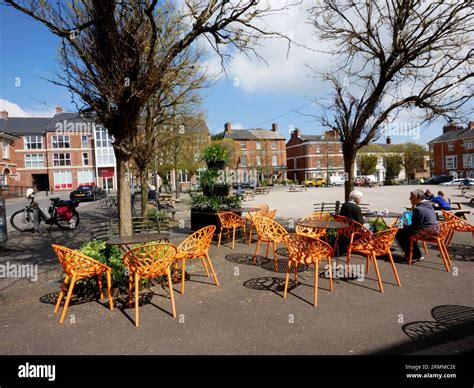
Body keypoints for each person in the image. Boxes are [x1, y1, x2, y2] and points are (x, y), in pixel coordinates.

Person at [396, 189, 438, 262]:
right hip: (435, 230)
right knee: (405, 231)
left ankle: (411, 255)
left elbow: (414, 227)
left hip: (427, 232)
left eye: (411, 197)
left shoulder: (418, 209)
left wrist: (400, 226)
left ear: (417, 197)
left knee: (399, 233)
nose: (409, 199)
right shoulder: (428, 205)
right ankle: (416, 254)